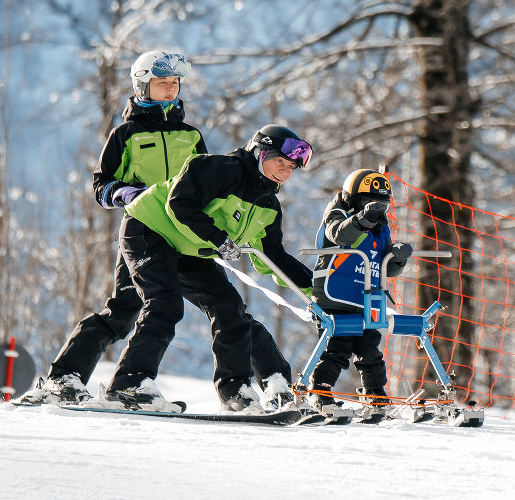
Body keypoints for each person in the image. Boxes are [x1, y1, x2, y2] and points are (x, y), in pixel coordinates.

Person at [20, 50, 205, 405]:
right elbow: (100, 185)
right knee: (125, 311)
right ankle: (67, 379)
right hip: (143, 231)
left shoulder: (191, 136)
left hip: (181, 235)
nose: (169, 90)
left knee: (155, 307)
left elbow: (206, 184)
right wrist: (122, 191)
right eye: (161, 83)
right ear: (142, 87)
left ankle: (129, 383)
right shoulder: (127, 134)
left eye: (174, 83)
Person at [101, 124, 313, 413]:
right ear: (259, 153)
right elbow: (180, 204)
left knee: (229, 307)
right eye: (280, 161)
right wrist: (220, 240)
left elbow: (272, 257)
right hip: (150, 229)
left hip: (189, 248)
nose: (284, 171)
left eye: (290, 168)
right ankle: (130, 384)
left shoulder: (269, 206)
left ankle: (236, 391)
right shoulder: (219, 168)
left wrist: (317, 289)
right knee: (164, 304)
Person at [307, 168, 413, 416]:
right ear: (352, 198)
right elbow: (337, 234)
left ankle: (375, 394)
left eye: (381, 206)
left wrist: (397, 257)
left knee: (370, 348)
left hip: (366, 298)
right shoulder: (338, 214)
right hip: (335, 294)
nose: (375, 211)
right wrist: (360, 220)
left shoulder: (381, 229)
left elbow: (384, 265)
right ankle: (319, 392)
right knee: (338, 346)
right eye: (368, 203)